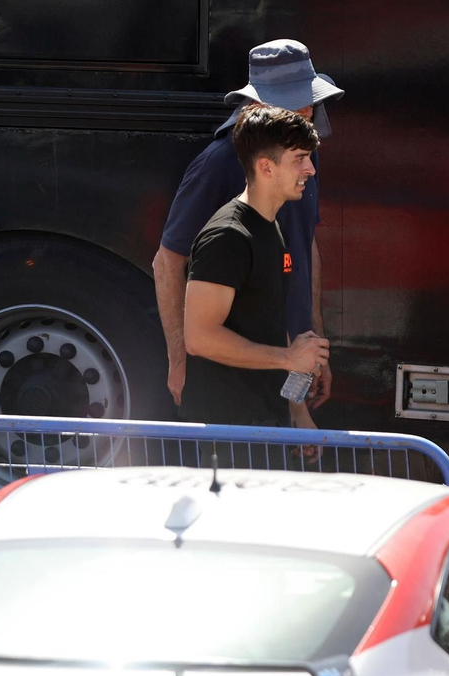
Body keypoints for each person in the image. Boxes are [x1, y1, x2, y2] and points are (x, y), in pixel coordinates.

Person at [155, 39, 344, 420]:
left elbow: (304, 245)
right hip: (235, 381)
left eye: (310, 101)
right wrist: (179, 360)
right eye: (295, 102)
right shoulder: (218, 164)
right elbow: (168, 262)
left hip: (290, 364)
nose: (308, 111)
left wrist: (314, 342)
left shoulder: (303, 156)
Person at [182, 106, 330, 430]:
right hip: (226, 431)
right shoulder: (228, 236)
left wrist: (297, 411)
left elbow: (272, 323)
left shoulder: (271, 226)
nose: (310, 169)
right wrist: (288, 358)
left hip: (263, 423)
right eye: (299, 159)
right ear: (266, 167)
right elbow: (198, 338)